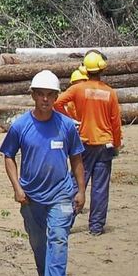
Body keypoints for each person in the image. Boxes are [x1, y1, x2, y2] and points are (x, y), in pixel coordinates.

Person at [0, 69, 85, 276]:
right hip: (31, 197)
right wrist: (17, 188)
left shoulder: (67, 126)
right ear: (33, 96)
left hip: (61, 194)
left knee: (59, 238)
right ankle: (44, 272)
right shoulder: (20, 126)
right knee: (39, 242)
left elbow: (77, 159)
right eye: (41, 95)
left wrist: (81, 191)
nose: (46, 100)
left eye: (50, 95)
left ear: (57, 97)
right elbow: (8, 156)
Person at [53, 51, 122, 236]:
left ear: (85, 70)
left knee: (76, 184)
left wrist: (71, 120)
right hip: (105, 145)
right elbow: (115, 122)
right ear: (101, 69)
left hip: (83, 144)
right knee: (100, 188)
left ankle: (65, 224)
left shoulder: (78, 89)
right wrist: (116, 143)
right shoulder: (110, 93)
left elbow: (56, 103)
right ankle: (96, 227)